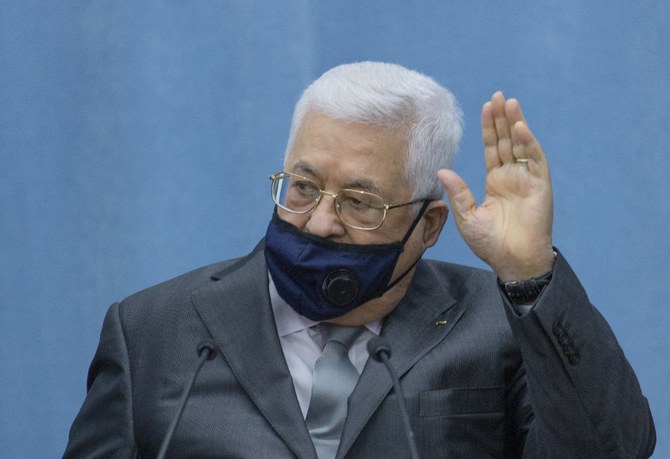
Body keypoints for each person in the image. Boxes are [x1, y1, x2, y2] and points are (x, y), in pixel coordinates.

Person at [64, 62, 655, 458]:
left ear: (427, 226)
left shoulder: (498, 325)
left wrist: (530, 274)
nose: (320, 221)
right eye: (302, 186)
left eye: (359, 202)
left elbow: (612, 449)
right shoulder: (152, 330)